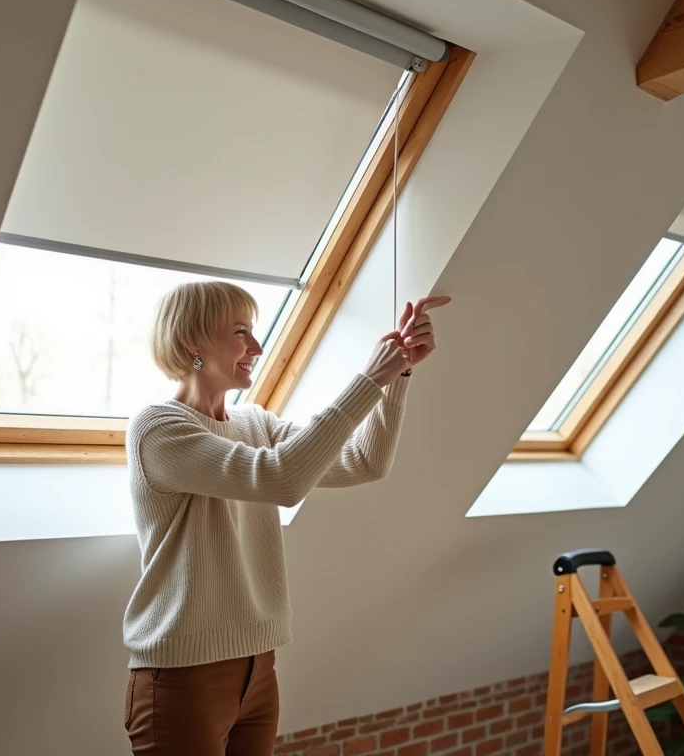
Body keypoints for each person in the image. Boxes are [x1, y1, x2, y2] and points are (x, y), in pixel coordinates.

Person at [122, 280, 449, 755]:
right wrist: (368, 380)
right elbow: (282, 480)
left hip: (258, 667)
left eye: (253, 332)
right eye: (240, 332)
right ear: (192, 342)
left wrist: (397, 376)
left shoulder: (254, 423)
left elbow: (364, 461)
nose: (256, 346)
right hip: (182, 675)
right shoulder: (158, 428)